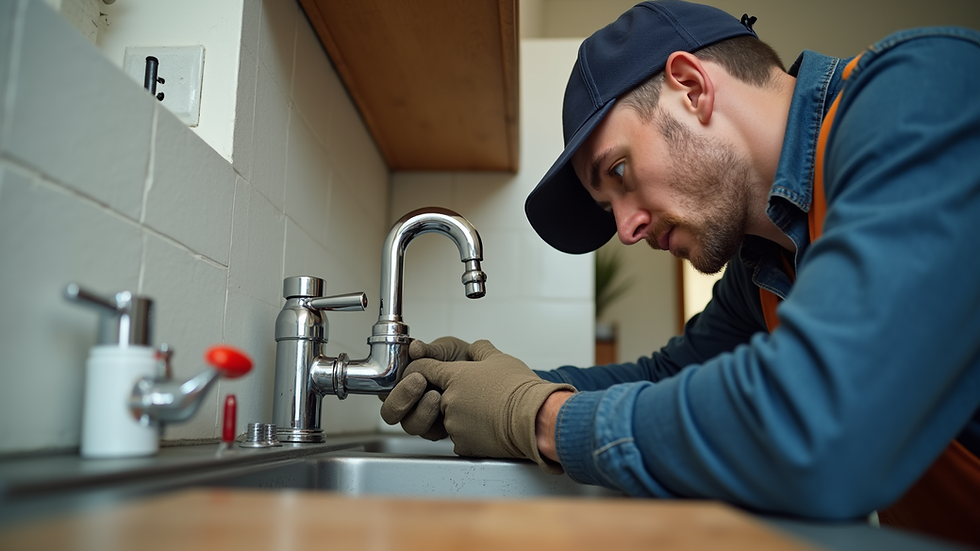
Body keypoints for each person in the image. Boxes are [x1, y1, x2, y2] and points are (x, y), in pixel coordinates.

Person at [380, 1, 980, 545]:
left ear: (691, 87)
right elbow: (665, 376)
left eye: (617, 172)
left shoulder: (925, 95)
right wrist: (491, 384)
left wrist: (537, 417)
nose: (625, 230)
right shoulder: (767, 264)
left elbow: (819, 428)